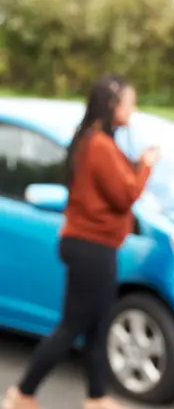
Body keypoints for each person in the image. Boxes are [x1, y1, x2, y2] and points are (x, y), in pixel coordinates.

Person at [3, 74, 160, 409]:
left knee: (98, 324)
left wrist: (135, 163)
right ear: (111, 105)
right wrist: (146, 166)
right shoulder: (98, 145)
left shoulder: (97, 141)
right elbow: (125, 194)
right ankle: (22, 393)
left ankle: (96, 397)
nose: (132, 109)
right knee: (73, 324)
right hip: (91, 246)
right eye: (129, 102)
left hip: (92, 244)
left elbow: (112, 184)